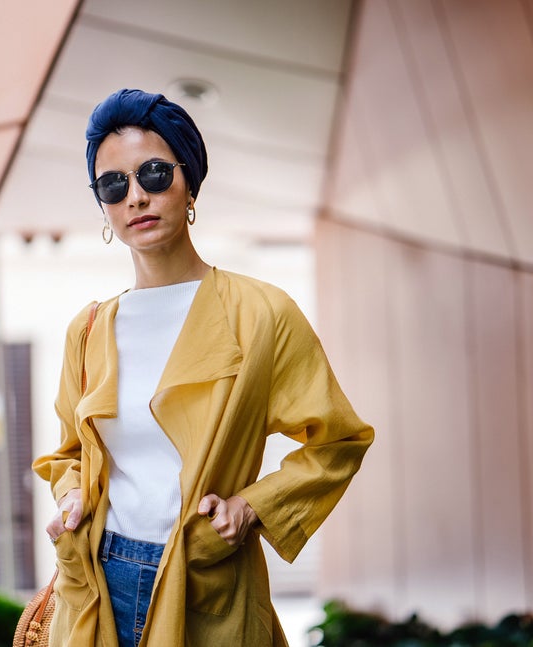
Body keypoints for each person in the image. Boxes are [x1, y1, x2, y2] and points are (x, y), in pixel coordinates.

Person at [32, 88, 373, 647]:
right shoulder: (89, 329)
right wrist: (71, 496)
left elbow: (338, 441)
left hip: (206, 579)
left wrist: (252, 508)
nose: (136, 197)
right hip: (96, 578)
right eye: (113, 185)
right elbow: (70, 452)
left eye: (154, 175)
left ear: (188, 182)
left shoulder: (261, 314)